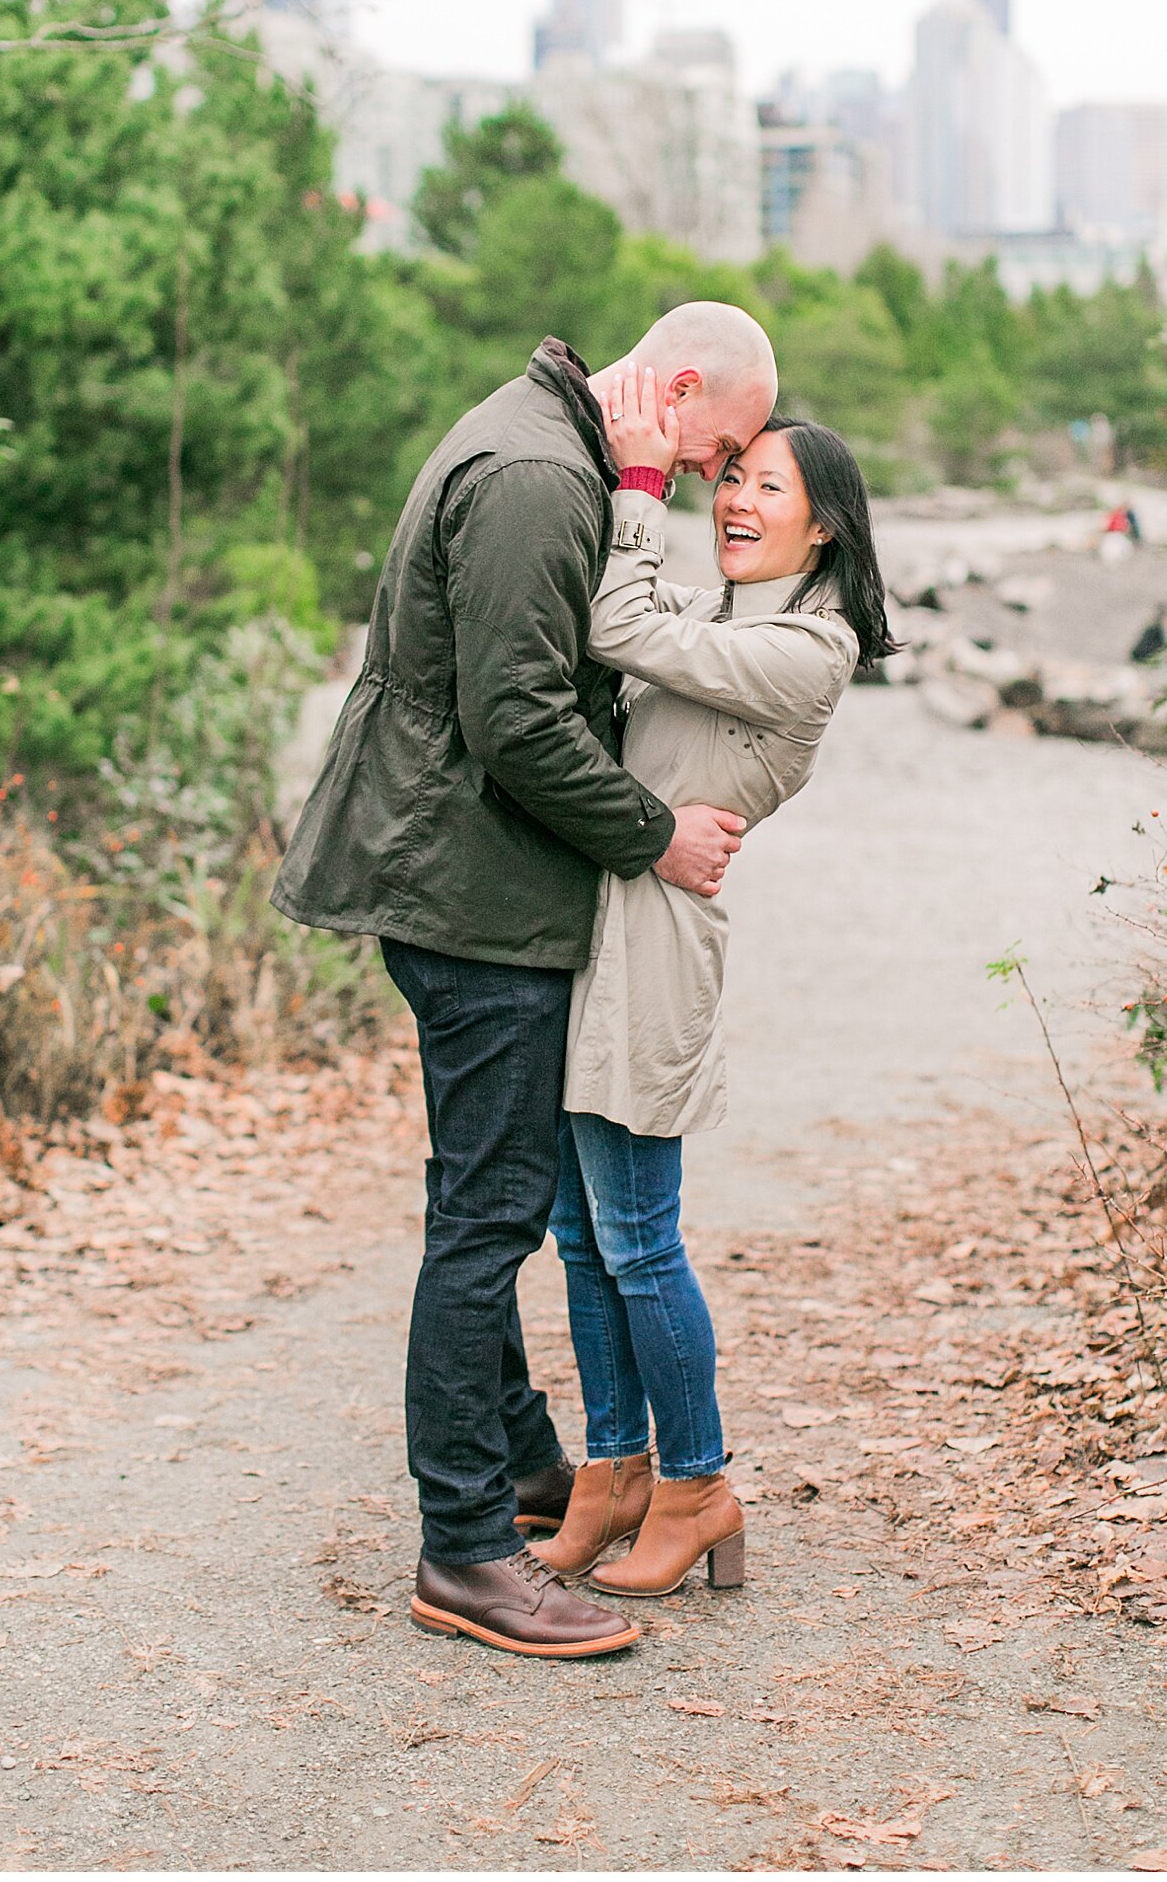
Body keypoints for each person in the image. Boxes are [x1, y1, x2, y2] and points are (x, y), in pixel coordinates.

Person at [271, 304, 777, 1657]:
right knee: (488, 1220)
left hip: (468, 882)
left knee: (482, 1199)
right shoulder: (539, 477)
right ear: (675, 390)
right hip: (470, 895)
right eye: (719, 449)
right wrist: (656, 834)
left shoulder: (557, 448)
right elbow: (519, 722)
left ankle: (527, 1470)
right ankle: (466, 1552)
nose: (719, 481)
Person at [529, 363, 896, 1598]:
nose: (734, 495)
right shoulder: (731, 617)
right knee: (581, 1235)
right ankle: (613, 1471)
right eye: (729, 475)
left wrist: (642, 481)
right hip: (602, 921)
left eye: (765, 482)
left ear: (825, 522)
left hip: (660, 944)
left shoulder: (810, 647)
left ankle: (698, 1482)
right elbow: (623, 604)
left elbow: (616, 624)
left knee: (638, 1236)